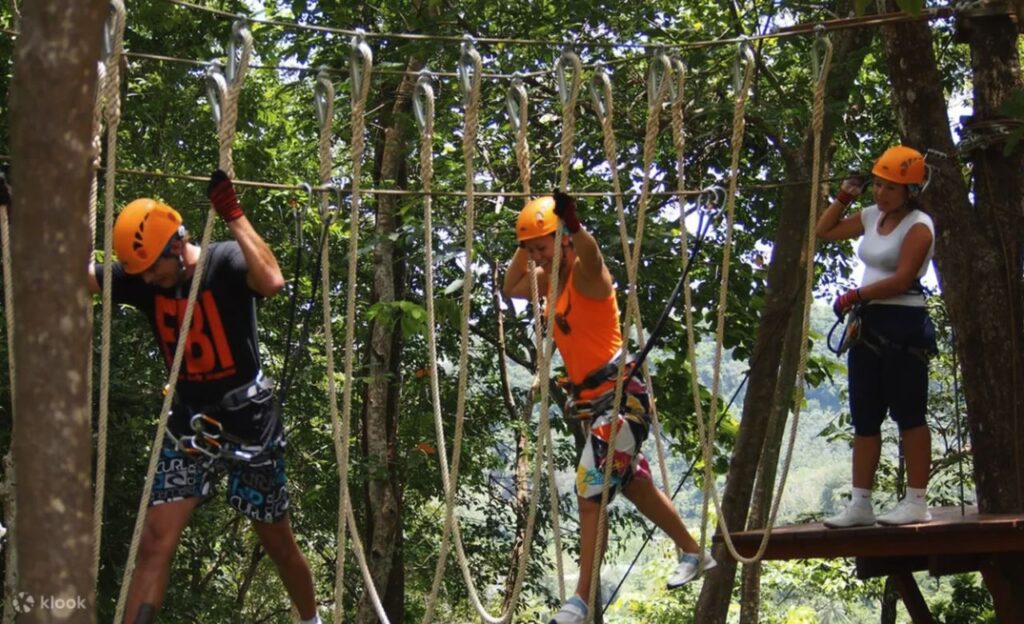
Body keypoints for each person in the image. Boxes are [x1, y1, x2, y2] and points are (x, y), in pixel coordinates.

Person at [88, 171, 321, 624]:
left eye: (153, 268)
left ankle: (311, 619)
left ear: (176, 247)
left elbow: (272, 280)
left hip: (249, 421)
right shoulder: (143, 279)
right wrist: (18, 211)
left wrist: (233, 214)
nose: (149, 280)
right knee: (155, 540)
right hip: (190, 424)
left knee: (277, 542)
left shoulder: (227, 263)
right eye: (141, 272)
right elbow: (80, 278)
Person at [503, 192, 715, 624]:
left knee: (589, 487)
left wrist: (573, 228)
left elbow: (592, 254)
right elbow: (511, 286)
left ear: (563, 240)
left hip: (623, 398)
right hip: (592, 402)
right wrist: (528, 241)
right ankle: (695, 552)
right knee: (634, 485)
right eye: (531, 251)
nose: (535, 258)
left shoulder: (587, 278)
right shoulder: (548, 280)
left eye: (542, 248)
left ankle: (579, 600)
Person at [815, 145, 938, 528]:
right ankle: (860, 504)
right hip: (869, 324)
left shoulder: (919, 225)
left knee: (909, 412)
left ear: (909, 191)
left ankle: (916, 501)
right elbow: (824, 232)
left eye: (890, 188)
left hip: (903, 324)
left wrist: (856, 295)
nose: (881, 194)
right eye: (879, 185)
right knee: (865, 415)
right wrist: (843, 197)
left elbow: (904, 278)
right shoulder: (871, 216)